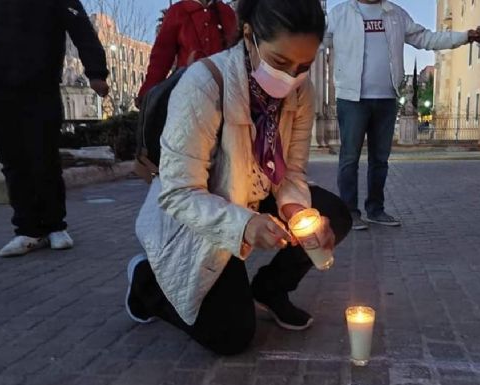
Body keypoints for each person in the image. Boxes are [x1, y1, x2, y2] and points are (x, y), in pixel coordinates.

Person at [128, 0, 352, 355]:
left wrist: (295, 211)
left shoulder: (301, 91)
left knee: (334, 216)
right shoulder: (205, 83)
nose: (291, 78)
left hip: (255, 191)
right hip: (205, 207)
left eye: (303, 66)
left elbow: (292, 171)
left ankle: (269, 289)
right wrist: (245, 226)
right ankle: (146, 282)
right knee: (230, 336)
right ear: (249, 35)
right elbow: (178, 192)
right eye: (280, 62)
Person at [325, 0, 480, 230]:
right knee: (349, 159)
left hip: (387, 98)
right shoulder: (339, 14)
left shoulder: (395, 14)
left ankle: (376, 210)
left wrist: (465, 36)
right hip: (352, 99)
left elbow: (427, 38)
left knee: (380, 160)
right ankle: (349, 212)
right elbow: (313, 38)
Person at [0, 0, 109, 256]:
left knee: (43, 155)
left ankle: (55, 226)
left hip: (40, 82)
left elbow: (79, 24)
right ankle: (27, 230)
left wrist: (96, 72)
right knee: (12, 159)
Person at [136, 0, 238, 104]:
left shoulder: (226, 12)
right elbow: (161, 57)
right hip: (188, 93)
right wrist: (148, 92)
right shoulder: (177, 12)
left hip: (223, 93)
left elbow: (238, 53)